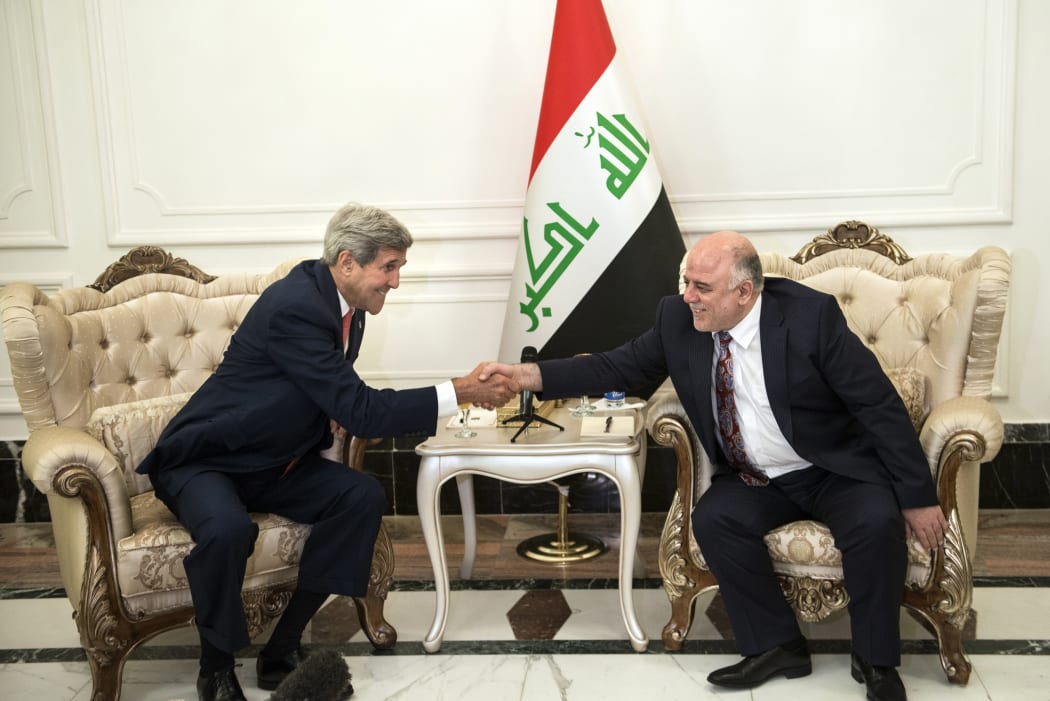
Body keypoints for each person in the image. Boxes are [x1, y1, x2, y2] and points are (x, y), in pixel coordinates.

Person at [480, 230, 947, 701]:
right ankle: (777, 645)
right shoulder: (677, 319)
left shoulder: (810, 316)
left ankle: (876, 660)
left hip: (830, 467)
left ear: (744, 292)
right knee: (715, 518)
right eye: (688, 282)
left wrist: (918, 496)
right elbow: (614, 368)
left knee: (875, 521)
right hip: (757, 477)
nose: (688, 296)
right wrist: (527, 377)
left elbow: (878, 405)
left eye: (701, 287)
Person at [136, 203, 519, 701]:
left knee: (359, 497)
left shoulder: (347, 308)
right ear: (347, 262)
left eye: (399, 267)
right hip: (207, 458)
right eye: (390, 267)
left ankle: (282, 648)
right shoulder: (297, 305)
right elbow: (360, 409)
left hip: (273, 460)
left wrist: (331, 406)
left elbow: (329, 390)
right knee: (229, 530)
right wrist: (460, 391)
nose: (396, 282)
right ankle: (216, 666)